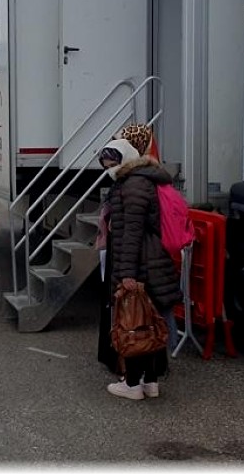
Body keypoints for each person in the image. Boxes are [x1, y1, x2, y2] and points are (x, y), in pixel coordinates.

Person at [98, 137, 182, 401]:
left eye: (111, 163)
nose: (108, 169)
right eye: (104, 164)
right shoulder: (147, 179)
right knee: (152, 324)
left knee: (134, 323)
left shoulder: (131, 185)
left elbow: (130, 235)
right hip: (156, 261)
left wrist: (126, 275)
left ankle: (132, 384)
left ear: (124, 159)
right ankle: (151, 382)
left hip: (142, 263)